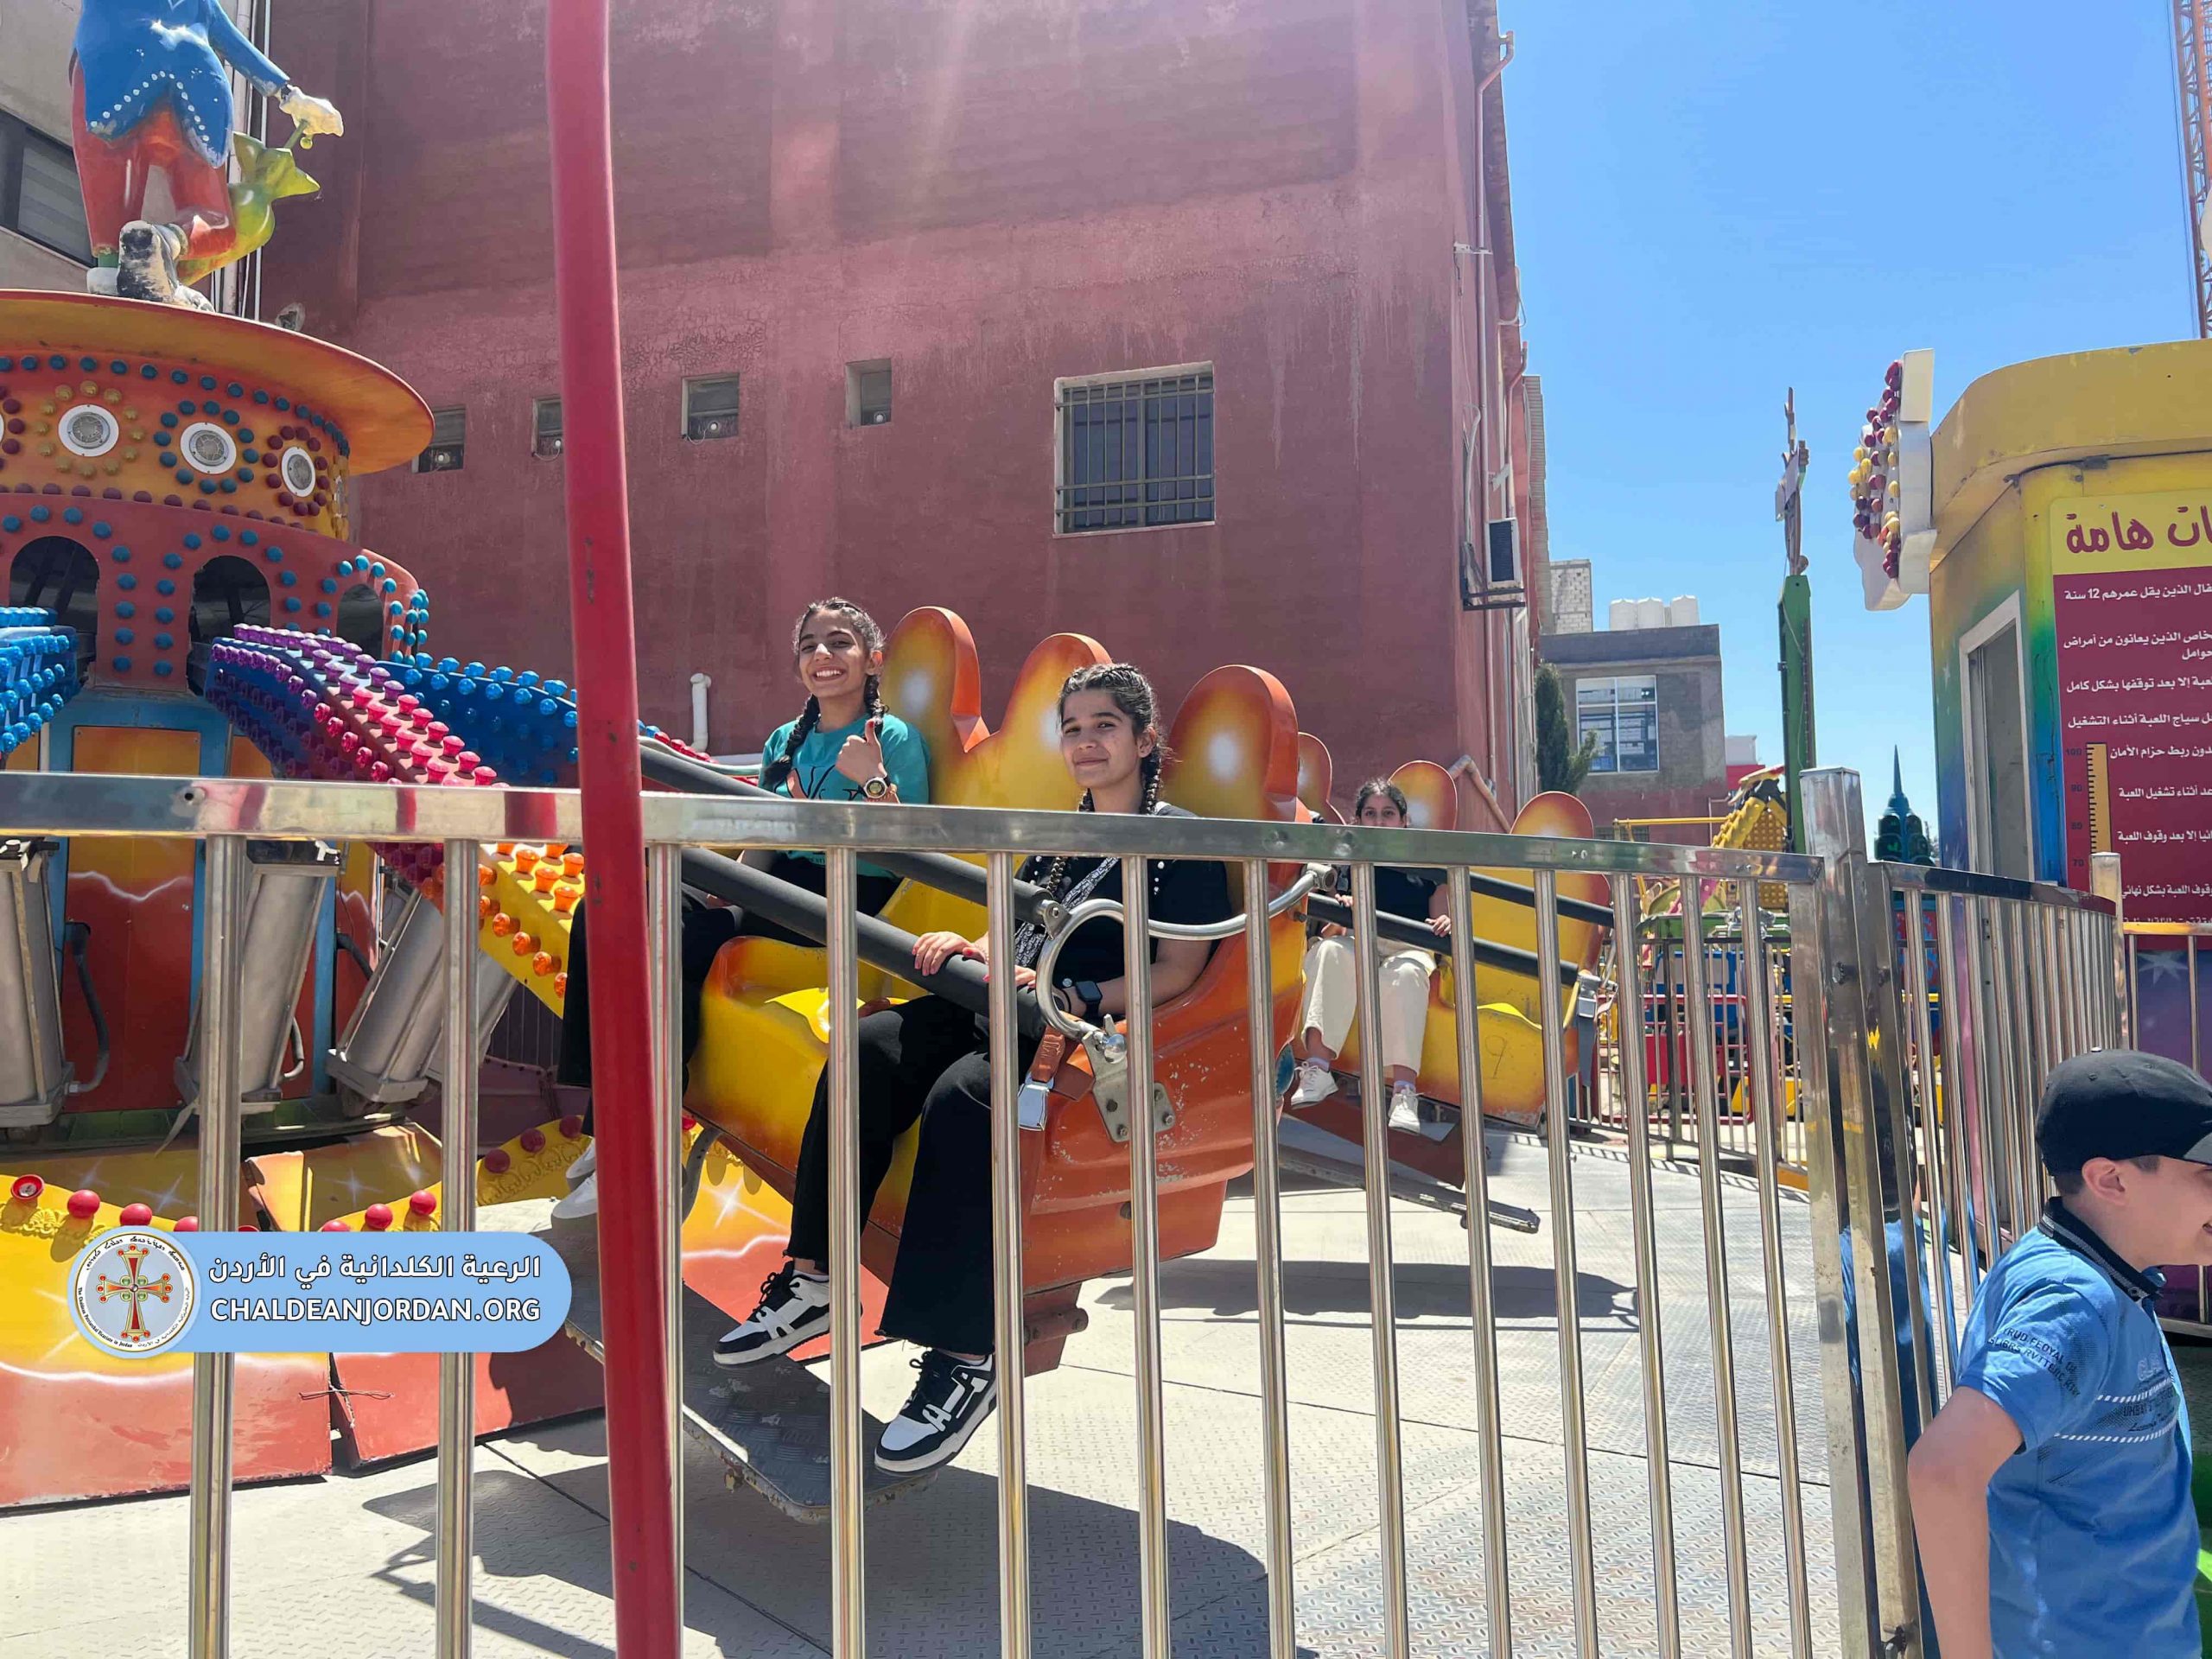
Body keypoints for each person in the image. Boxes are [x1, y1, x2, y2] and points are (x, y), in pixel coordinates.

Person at [714, 663, 1233, 1475]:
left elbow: (1178, 972)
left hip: (1075, 1024)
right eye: (1073, 728)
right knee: (868, 1049)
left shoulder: (1180, 842)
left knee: (966, 1100)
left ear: (1144, 739)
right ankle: (814, 1278)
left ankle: (964, 1358)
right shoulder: (1063, 833)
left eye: (1104, 725)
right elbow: (1013, 925)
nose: (1086, 742)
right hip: (1001, 997)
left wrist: (1074, 993)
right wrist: (971, 947)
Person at [554, 599, 928, 1217]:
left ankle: (636, 1139)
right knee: (612, 906)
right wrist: (725, 890)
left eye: (839, 643)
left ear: (872, 660)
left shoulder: (894, 739)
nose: (823, 655)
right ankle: (616, 1118)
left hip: (848, 894)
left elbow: (911, 851)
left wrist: (872, 779)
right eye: (809, 646)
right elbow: (765, 838)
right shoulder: (785, 740)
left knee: (678, 944)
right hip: (777, 887)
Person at [1907, 1050, 2212, 1659]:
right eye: (2208, 1175)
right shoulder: (2074, 1302)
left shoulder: (2105, 1275)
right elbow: (1942, 1469)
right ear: (2111, 1180)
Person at [1285, 779, 1452, 1133]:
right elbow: (1332, 930)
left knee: (1406, 975)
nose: (1379, 821)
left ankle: (1404, 1092)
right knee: (1330, 952)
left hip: (1407, 946)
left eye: (1388, 814)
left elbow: (1440, 915)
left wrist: (1444, 922)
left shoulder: (1425, 861)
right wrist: (1343, 909)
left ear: (1404, 821)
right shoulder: (1349, 860)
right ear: (1358, 819)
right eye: (1371, 814)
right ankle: (1317, 1069)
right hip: (1358, 940)